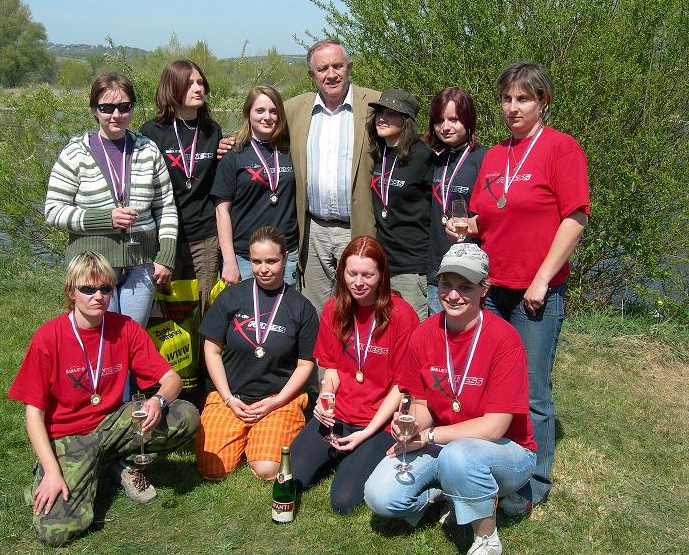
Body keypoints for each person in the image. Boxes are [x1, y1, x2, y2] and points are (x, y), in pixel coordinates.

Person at [446, 61, 590, 511]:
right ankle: (488, 462)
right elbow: (491, 216)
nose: (513, 107)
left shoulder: (561, 149)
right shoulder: (494, 154)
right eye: (507, 99)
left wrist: (542, 280)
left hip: (535, 295)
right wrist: (466, 226)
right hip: (491, 290)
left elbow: (575, 218)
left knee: (531, 391)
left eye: (523, 98)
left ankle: (535, 481)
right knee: (488, 385)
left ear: (543, 102)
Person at [8, 251, 200, 547]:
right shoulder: (48, 337)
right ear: (71, 292)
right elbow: (33, 414)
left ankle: (122, 463)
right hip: (67, 435)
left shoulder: (125, 328)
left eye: (105, 289)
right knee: (56, 532)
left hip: (113, 422)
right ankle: (72, 470)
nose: (97, 296)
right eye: (88, 289)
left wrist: (158, 401)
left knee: (185, 415)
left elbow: (171, 380)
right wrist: (51, 471)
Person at [364, 244, 536, 555]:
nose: (453, 295)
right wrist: (411, 424)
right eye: (446, 284)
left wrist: (428, 436)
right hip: (445, 444)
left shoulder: (504, 339)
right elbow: (421, 404)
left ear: (485, 289)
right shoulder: (424, 333)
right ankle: (452, 494)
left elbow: (495, 427)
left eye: (465, 287)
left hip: (506, 451)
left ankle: (486, 539)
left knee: (458, 457)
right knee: (379, 496)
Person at [290, 236, 419, 514]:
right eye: (352, 273)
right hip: (339, 415)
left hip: (377, 423)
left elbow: (402, 386)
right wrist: (325, 394)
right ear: (342, 273)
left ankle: (354, 452)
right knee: (293, 476)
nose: (358, 282)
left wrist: (366, 433)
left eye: (367, 275)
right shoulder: (333, 310)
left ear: (381, 275)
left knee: (344, 501)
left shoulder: (402, 316)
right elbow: (332, 369)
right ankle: (343, 452)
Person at [45, 73, 178, 329]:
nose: (116, 115)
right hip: (92, 263)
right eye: (107, 108)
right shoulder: (75, 153)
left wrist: (166, 256)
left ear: (132, 109)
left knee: (132, 336)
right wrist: (105, 219)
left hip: (141, 262)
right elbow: (53, 211)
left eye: (124, 107)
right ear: (95, 110)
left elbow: (166, 207)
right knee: (102, 338)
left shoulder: (148, 150)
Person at [195, 226, 318, 480]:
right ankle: (243, 433)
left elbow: (305, 365)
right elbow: (212, 349)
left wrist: (277, 401)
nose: (264, 269)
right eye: (256, 261)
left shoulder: (301, 308)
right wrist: (228, 398)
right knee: (212, 469)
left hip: (276, 401)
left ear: (285, 258)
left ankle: (261, 437)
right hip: (232, 397)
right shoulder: (231, 297)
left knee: (267, 468)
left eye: (272, 261)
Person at [284, 39, 381, 315]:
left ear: (349, 67)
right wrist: (228, 142)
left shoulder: (374, 104)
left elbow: (406, 143)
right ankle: (321, 360)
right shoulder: (293, 110)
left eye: (338, 66)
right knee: (316, 310)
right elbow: (260, 132)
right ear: (311, 75)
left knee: (361, 307)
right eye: (323, 68)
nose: (331, 74)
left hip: (358, 226)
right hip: (313, 230)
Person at [139, 60, 222, 315]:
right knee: (164, 311)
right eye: (189, 84)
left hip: (205, 235)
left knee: (204, 308)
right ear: (172, 89)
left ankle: (203, 356)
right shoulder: (152, 132)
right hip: (166, 239)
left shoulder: (212, 130)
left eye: (200, 82)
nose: (198, 88)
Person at [212, 86, 298, 286]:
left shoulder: (290, 150)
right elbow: (221, 211)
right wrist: (229, 260)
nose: (267, 117)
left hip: (285, 256)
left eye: (273, 111)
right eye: (260, 110)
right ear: (248, 113)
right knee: (247, 315)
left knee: (282, 313)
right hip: (245, 257)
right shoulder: (234, 153)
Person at [366, 88, 435, 319]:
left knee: (414, 334)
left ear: (405, 120)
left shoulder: (424, 157)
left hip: (412, 267)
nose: (382, 118)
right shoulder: (379, 154)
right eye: (379, 113)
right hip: (384, 263)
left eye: (391, 113)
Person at [424, 87, 488, 315]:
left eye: (454, 119)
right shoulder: (433, 158)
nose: (446, 127)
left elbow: (493, 215)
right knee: (439, 338)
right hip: (436, 267)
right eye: (439, 120)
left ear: (468, 119)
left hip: (469, 267)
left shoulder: (484, 158)